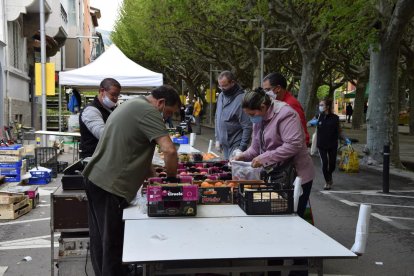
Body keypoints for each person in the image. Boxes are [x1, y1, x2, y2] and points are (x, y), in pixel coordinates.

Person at [82, 85, 181, 276]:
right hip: (109, 185)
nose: (167, 117)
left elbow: (135, 149)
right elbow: (169, 151)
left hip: (97, 179)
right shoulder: (148, 111)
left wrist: (153, 178)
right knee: (111, 244)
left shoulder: (133, 105)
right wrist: (171, 181)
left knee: (101, 242)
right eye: (169, 112)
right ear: (160, 103)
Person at [234, 88, 314, 218]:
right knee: (275, 215)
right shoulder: (259, 119)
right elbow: (255, 148)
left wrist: (264, 158)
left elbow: (293, 144)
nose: (251, 118)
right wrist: (243, 156)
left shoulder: (286, 114)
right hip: (275, 174)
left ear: (263, 106)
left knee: (292, 217)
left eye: (252, 114)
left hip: (295, 175)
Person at [262, 72, 310, 146]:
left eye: (267, 90)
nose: (265, 93)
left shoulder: (291, 105)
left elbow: (301, 131)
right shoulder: (277, 103)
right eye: (264, 90)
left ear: (278, 88)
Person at [79, 78, 121, 158]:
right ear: (102, 91)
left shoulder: (111, 109)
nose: (116, 98)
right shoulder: (90, 111)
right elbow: (103, 134)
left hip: (107, 157)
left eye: (117, 95)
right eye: (113, 94)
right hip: (93, 160)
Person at [215, 71, 252, 159]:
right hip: (224, 144)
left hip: (236, 144)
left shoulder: (241, 99)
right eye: (220, 86)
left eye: (224, 86)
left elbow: (247, 126)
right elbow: (217, 117)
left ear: (232, 83)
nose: (222, 89)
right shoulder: (221, 96)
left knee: (234, 170)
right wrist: (217, 138)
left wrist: (241, 148)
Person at [314, 98, 350, 190]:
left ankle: (329, 175)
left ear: (327, 107)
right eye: (320, 105)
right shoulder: (318, 116)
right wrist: (311, 123)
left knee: (332, 164)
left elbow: (339, 131)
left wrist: (346, 139)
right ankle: (327, 182)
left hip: (332, 144)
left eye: (322, 105)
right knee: (325, 163)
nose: (320, 107)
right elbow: (308, 124)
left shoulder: (335, 118)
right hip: (321, 144)